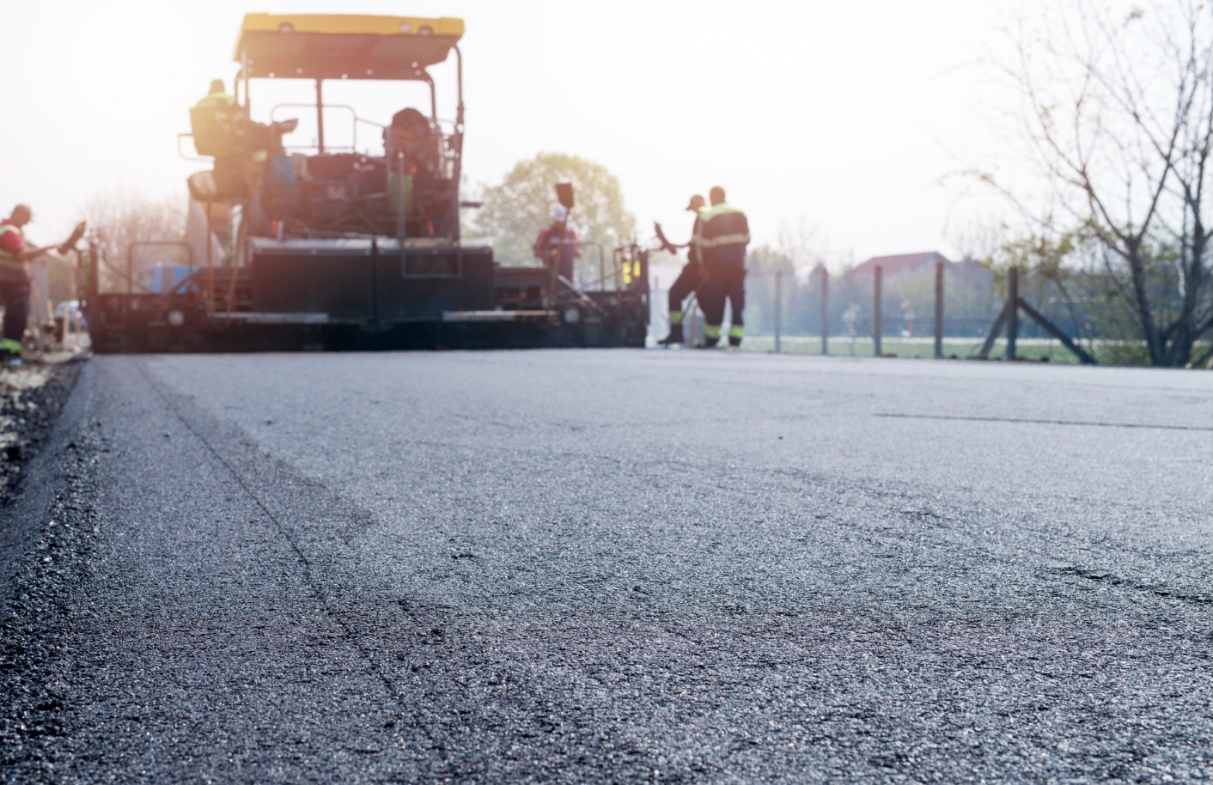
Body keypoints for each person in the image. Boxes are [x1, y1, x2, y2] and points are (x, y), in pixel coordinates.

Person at [0, 205, 69, 365]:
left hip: (10, 280)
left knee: (13, 315)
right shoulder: (10, 231)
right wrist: (47, 248)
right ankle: (11, 355)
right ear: (18, 214)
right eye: (25, 219)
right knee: (16, 316)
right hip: (11, 281)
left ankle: (9, 354)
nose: (26, 224)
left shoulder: (5, 228)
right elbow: (21, 255)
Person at [694, 186, 750, 348]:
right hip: (738, 265)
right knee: (737, 302)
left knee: (715, 302)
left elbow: (702, 245)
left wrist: (703, 266)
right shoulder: (740, 212)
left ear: (712, 197)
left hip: (717, 266)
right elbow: (747, 238)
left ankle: (712, 339)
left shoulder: (707, 215)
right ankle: (735, 340)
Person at [657, 194, 707, 346]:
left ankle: (677, 332)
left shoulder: (703, 217)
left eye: (693, 208)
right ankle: (709, 337)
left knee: (675, 294)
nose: (692, 211)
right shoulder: (703, 218)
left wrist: (702, 265)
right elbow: (694, 243)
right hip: (701, 266)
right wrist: (676, 246)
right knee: (705, 301)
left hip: (697, 267)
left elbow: (700, 245)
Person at [533, 205, 583, 283]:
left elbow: (579, 253)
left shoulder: (571, 233)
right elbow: (537, 252)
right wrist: (550, 254)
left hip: (568, 276)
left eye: (561, 221)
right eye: (557, 221)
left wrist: (574, 249)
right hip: (549, 275)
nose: (559, 223)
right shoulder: (546, 232)